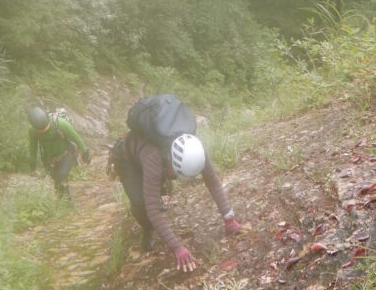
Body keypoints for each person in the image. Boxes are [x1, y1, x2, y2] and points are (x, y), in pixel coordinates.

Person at [113, 125, 242, 272]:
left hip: (155, 160)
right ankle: (148, 229)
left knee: (154, 188)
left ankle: (154, 194)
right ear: (170, 162)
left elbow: (212, 182)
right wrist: (177, 248)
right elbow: (152, 210)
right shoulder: (153, 159)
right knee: (140, 202)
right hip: (126, 158)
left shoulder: (196, 150)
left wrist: (228, 217)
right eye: (175, 175)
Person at [27, 105, 90, 198]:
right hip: (49, 159)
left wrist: (85, 152)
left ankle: (67, 203)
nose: (44, 131)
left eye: (46, 128)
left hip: (67, 153)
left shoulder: (60, 123)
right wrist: (32, 164)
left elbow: (76, 137)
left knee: (61, 175)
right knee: (57, 180)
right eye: (42, 131)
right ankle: (61, 203)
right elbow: (33, 147)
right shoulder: (32, 131)